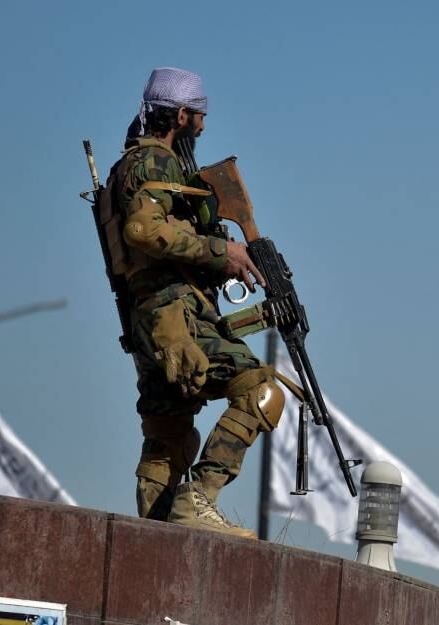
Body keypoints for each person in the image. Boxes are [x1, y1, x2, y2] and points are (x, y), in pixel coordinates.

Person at [105, 67, 283, 539]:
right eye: (200, 117)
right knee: (259, 388)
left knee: (167, 438)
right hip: (172, 315)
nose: (203, 128)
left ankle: (154, 539)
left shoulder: (133, 166)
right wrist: (223, 252)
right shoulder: (155, 162)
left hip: (153, 321)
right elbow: (143, 230)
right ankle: (199, 498)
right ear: (182, 115)